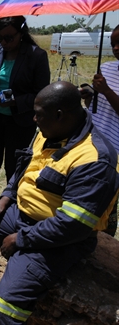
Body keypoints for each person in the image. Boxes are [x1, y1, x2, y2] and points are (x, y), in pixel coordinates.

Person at [0, 81, 119, 324]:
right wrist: (5, 199)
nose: (34, 120)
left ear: (59, 115)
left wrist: (21, 239)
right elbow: (26, 166)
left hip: (60, 239)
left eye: (38, 115)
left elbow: (72, 226)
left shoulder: (94, 160)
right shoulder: (50, 130)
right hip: (22, 215)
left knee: (6, 307)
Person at [0, 16, 50, 212]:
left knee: (14, 166)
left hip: (20, 121)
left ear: (21, 34)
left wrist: (16, 101)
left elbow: (42, 93)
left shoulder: (36, 56)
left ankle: (11, 209)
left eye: (9, 38)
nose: (4, 42)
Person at [80, 24, 119, 237]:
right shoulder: (107, 68)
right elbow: (96, 107)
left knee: (108, 205)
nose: (116, 47)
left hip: (117, 153)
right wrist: (89, 96)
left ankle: (104, 243)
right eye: (113, 43)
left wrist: (106, 90)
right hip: (95, 144)